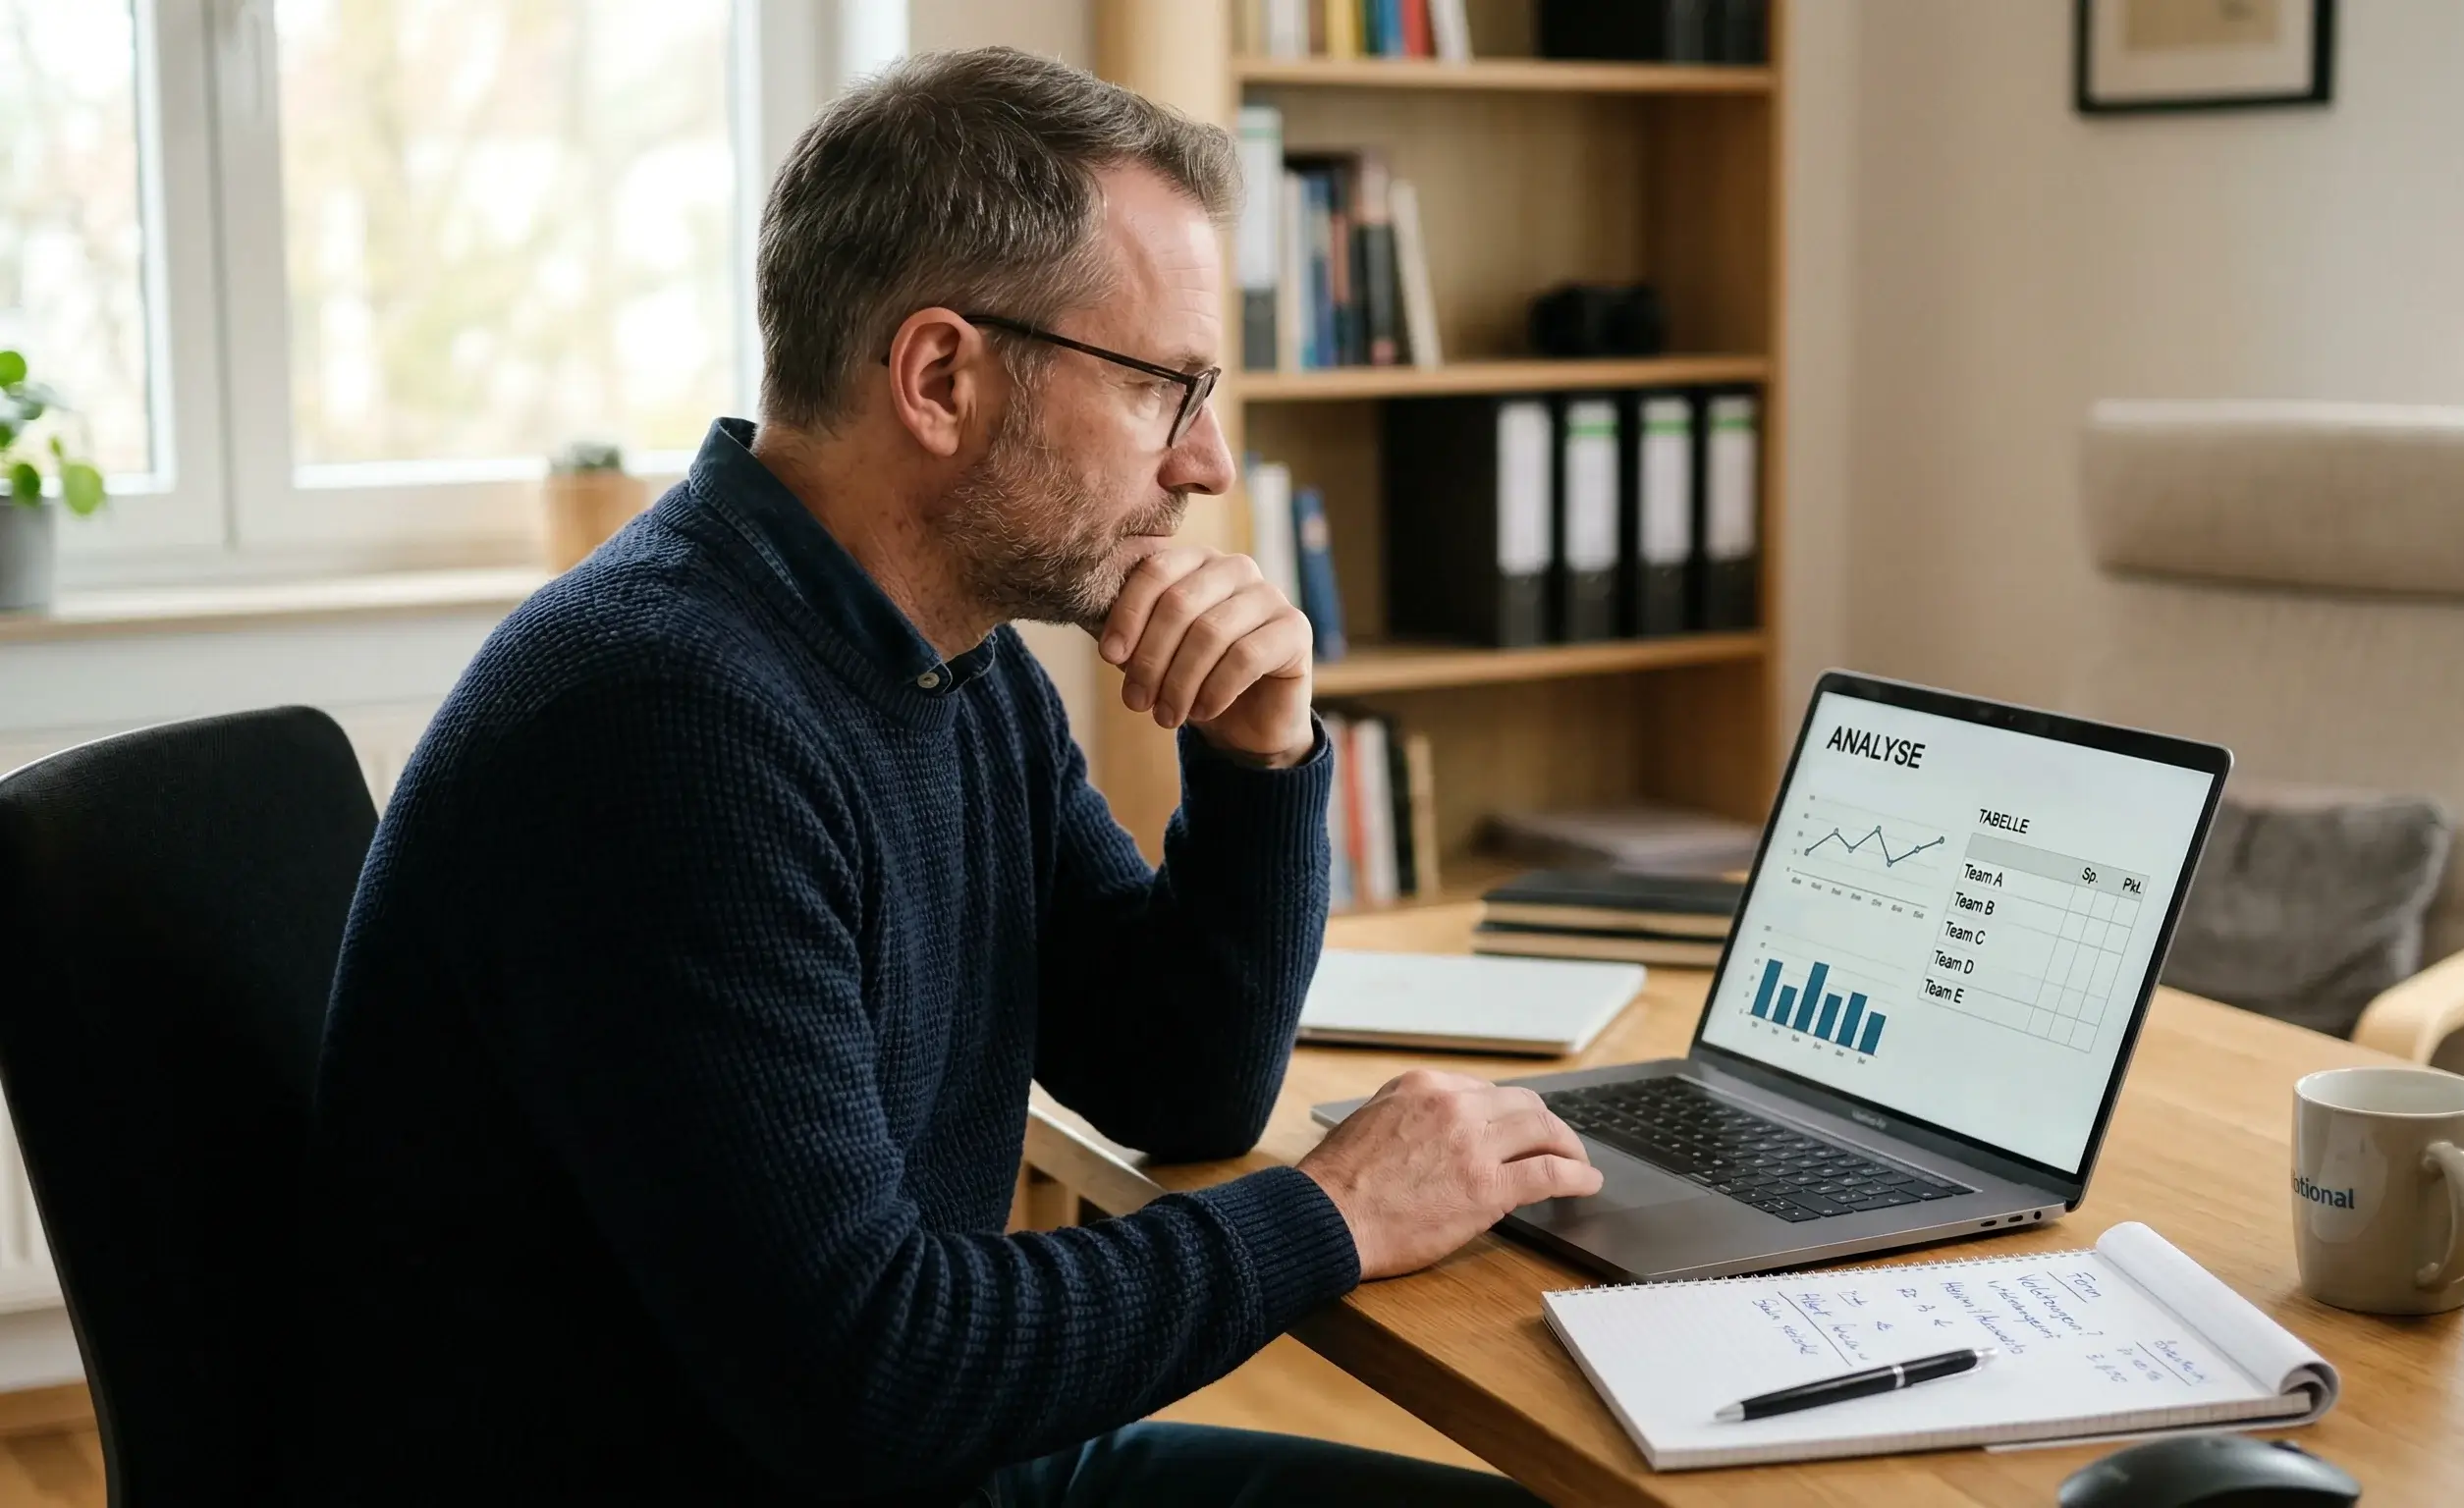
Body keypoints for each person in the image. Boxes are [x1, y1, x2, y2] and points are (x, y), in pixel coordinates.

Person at [303, 45, 1603, 1508]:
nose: (1210, 466)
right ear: (940, 378)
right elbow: (870, 1373)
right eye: (1167, 388)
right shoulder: (666, 724)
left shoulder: (942, 656)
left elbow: (1182, 1082)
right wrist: (1336, 1213)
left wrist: (1260, 758)